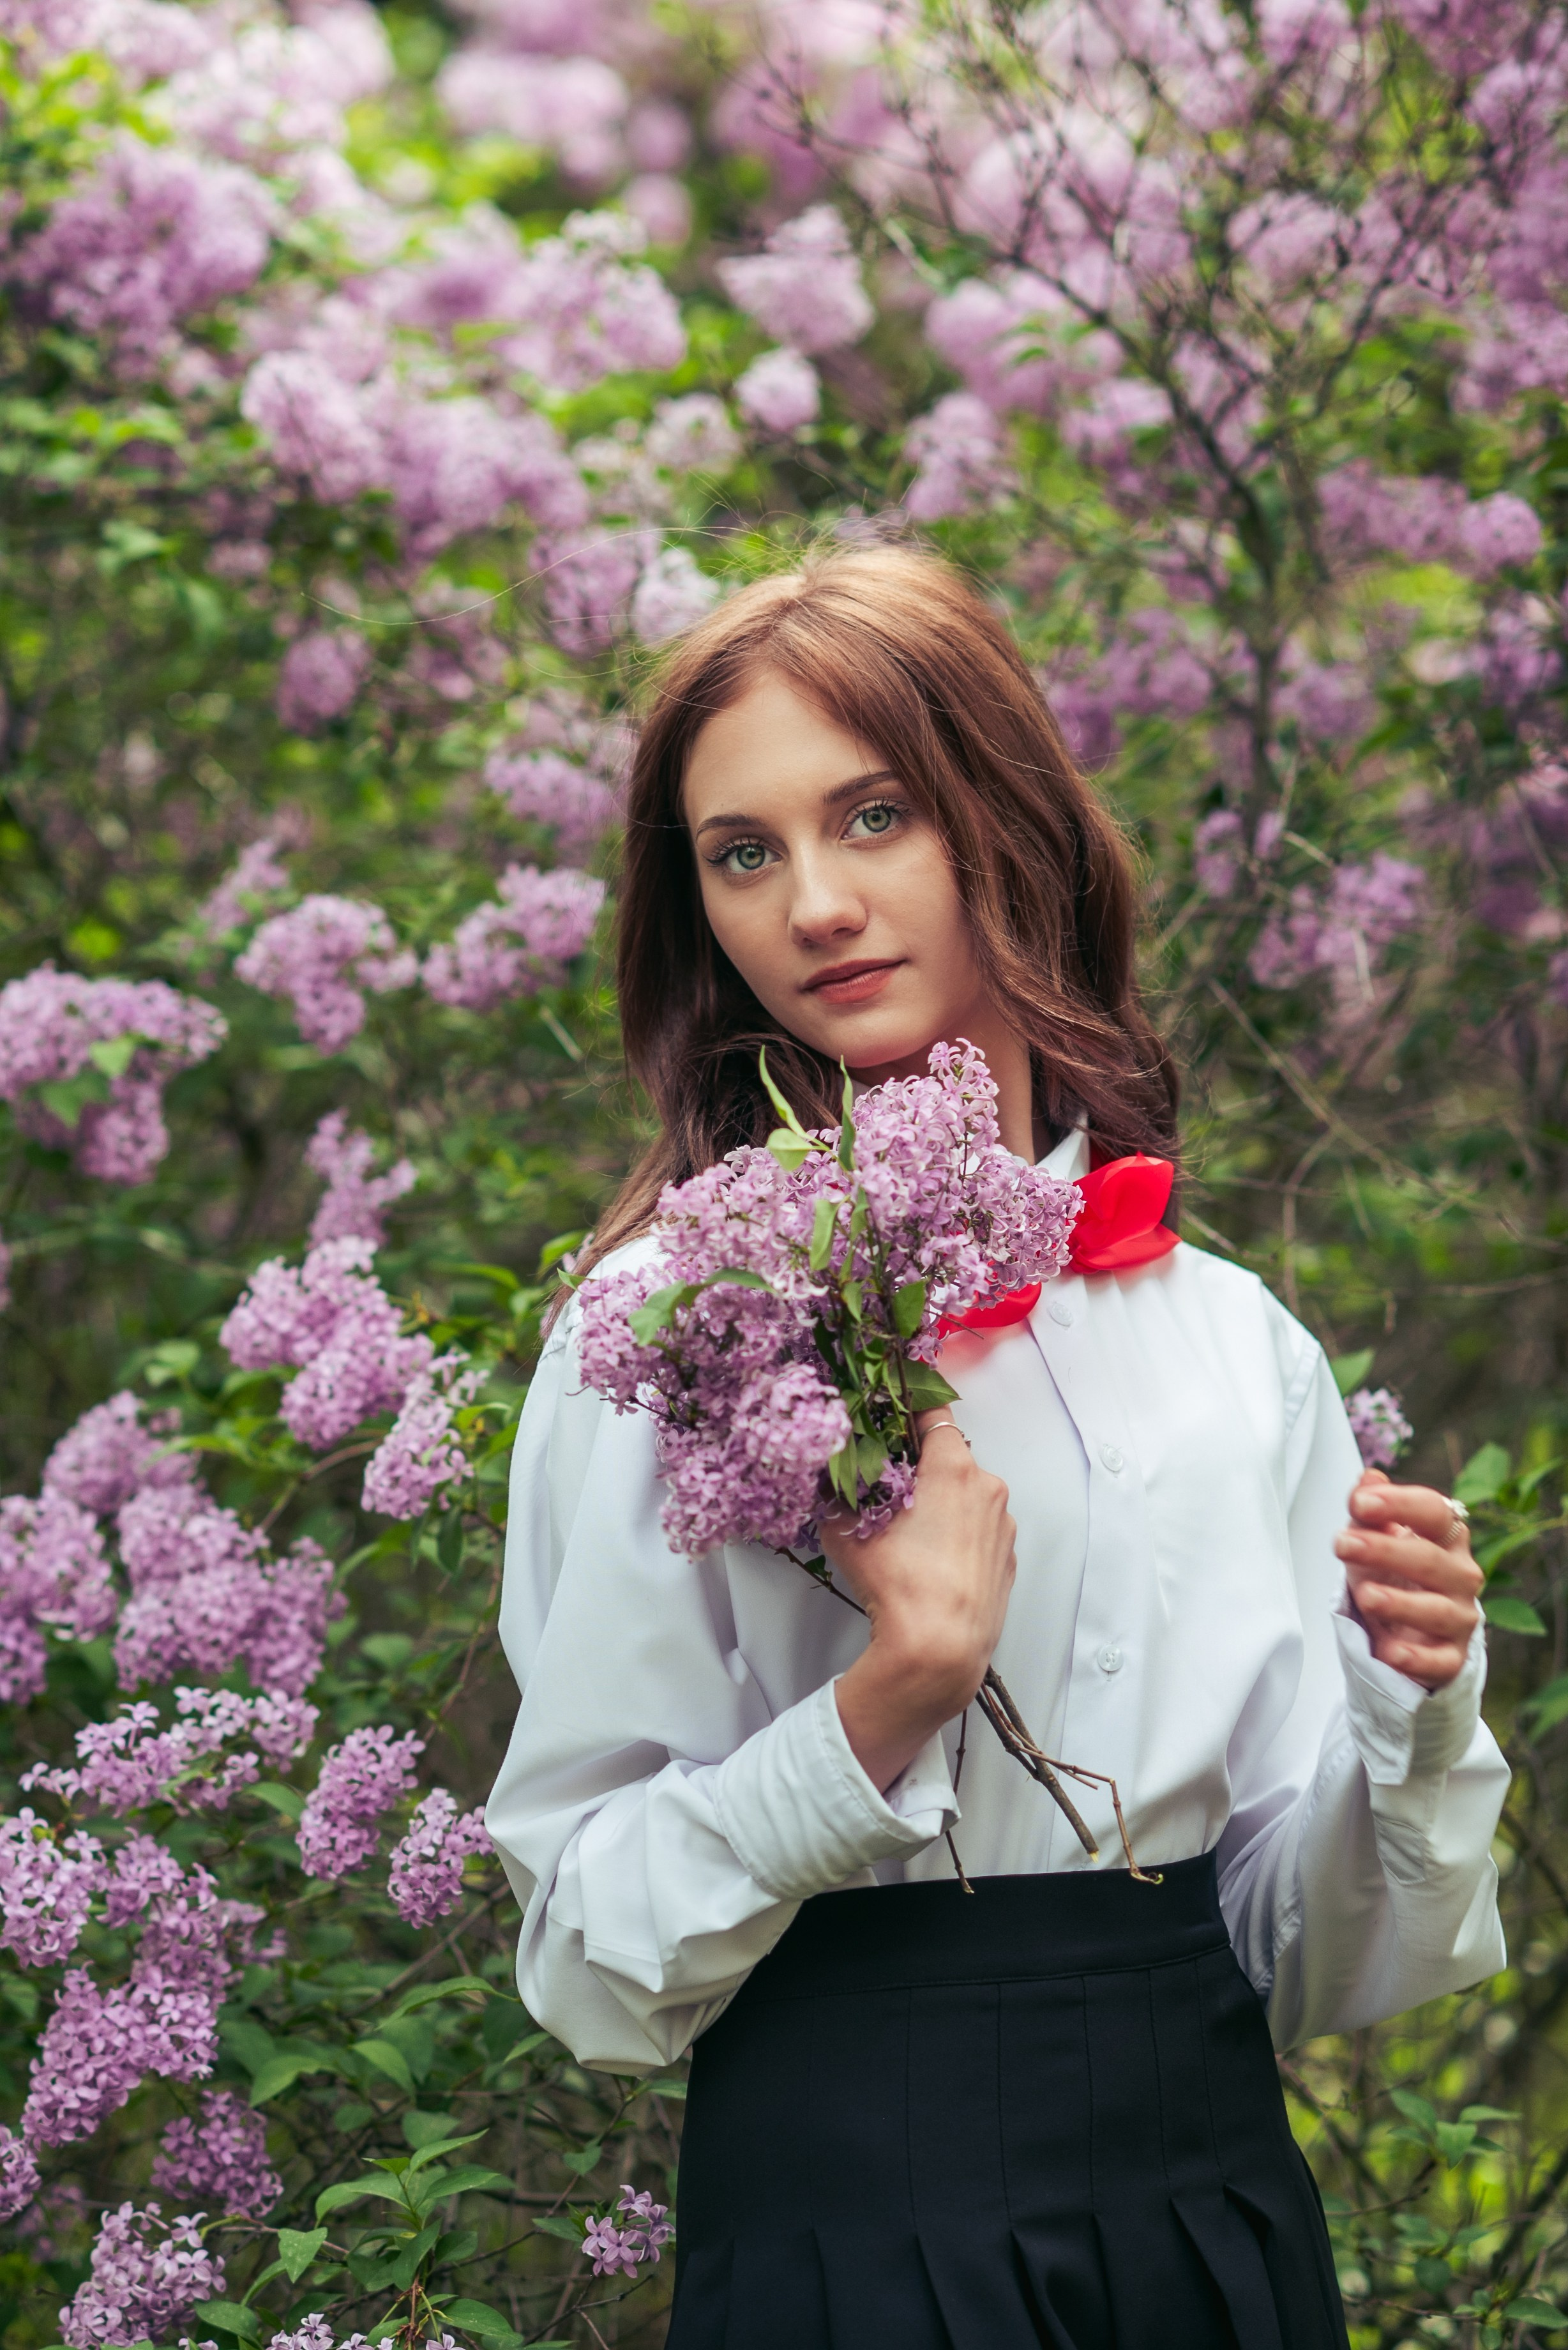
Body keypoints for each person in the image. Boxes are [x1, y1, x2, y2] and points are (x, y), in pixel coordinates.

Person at [486, 547, 1507, 2350]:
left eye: (874, 815)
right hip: (841, 2245)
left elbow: (1309, 1963)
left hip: (1215, 2242)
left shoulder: (1233, 1342)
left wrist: (1415, 1706)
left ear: (1004, 822)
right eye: (745, 851)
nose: (814, 902)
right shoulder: (661, 1336)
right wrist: (887, 1705)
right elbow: (587, 1965)